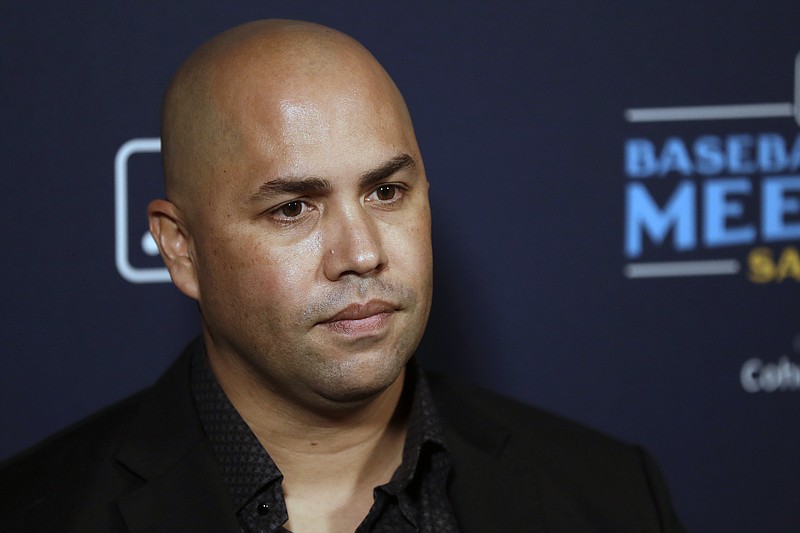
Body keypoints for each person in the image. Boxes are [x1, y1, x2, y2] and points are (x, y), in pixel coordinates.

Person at [0, 19, 684, 532]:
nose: (360, 254)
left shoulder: (610, 496)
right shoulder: (39, 511)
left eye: (386, 192)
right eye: (293, 207)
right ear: (181, 249)